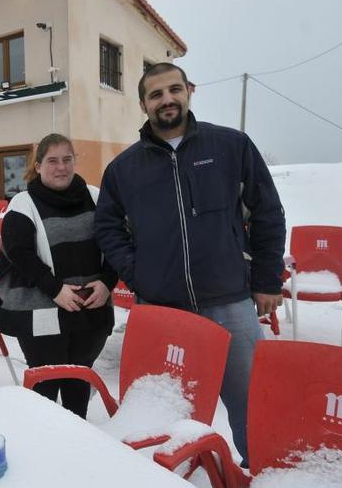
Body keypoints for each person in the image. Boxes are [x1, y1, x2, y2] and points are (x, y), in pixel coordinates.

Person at [94, 62, 286, 466]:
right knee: (164, 405)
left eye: (174, 89)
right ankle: (168, 472)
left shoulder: (231, 146)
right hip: (162, 307)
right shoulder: (124, 169)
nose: (167, 99)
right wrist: (139, 272)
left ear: (188, 92)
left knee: (251, 401)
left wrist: (267, 280)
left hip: (229, 300)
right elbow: (108, 228)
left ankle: (259, 470)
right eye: (156, 94)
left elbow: (267, 212)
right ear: (143, 104)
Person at [0, 133, 117, 419]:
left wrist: (108, 283)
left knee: (79, 379)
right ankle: (44, 444)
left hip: (90, 309)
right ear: (38, 166)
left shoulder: (97, 197)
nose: (61, 167)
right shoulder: (23, 204)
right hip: (42, 315)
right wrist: (56, 290)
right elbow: (20, 254)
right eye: (53, 161)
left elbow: (118, 243)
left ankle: (75, 435)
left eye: (67, 160)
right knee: (45, 387)